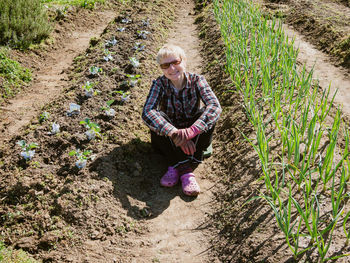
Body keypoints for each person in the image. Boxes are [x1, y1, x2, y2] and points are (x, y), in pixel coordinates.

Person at [142, 44, 221, 196]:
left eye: (175, 62)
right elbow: (147, 111)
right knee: (157, 117)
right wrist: (175, 133)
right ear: (161, 69)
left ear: (184, 61)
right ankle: (186, 171)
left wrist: (191, 132)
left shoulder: (198, 80)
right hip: (170, 137)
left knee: (207, 113)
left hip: (195, 136)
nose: (171, 69)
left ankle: (174, 165)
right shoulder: (159, 84)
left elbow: (215, 106)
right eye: (165, 65)